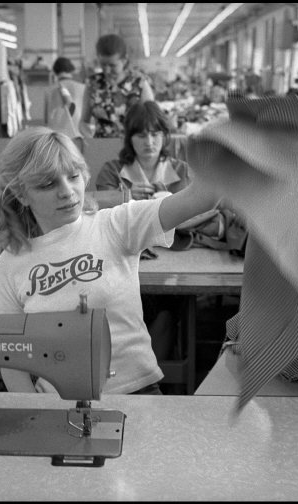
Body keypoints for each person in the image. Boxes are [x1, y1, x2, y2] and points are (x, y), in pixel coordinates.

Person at [0, 127, 216, 395]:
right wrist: (37, 413)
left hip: (137, 394)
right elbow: (9, 357)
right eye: (48, 184)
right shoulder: (9, 265)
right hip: (59, 407)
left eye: (73, 176)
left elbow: (200, 198)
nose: (67, 191)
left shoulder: (117, 225)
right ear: (22, 194)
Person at [94, 101, 193, 361]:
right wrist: (124, 198)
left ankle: (151, 376)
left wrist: (169, 205)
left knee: (167, 309)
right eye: (141, 134)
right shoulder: (113, 171)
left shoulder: (181, 171)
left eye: (155, 134)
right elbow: (94, 211)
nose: (149, 141)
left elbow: (200, 214)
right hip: (121, 263)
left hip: (171, 265)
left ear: (165, 136)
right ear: (129, 139)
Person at [79, 34, 154, 138]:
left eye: (112, 65)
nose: (107, 70)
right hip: (102, 147)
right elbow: (83, 122)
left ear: (124, 60)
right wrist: (89, 137)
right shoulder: (93, 84)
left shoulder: (139, 83)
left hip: (133, 147)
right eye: (103, 64)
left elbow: (152, 119)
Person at [44, 56, 85, 138]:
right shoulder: (83, 88)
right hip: (78, 133)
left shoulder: (48, 90)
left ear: (55, 71)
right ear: (71, 69)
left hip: (56, 135)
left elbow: (46, 119)